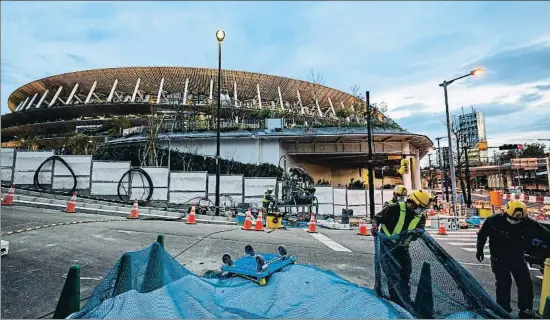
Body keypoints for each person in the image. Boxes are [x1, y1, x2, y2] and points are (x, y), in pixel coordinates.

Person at [476, 200, 550, 318]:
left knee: (525, 284)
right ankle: (503, 310)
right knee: (503, 284)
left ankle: (525, 310)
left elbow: (545, 234)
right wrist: (479, 249)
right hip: (499, 258)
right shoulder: (493, 220)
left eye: (518, 220)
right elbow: (482, 235)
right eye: (513, 219)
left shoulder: (527, 223)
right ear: (505, 213)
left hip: (517, 257)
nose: (515, 221)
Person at [372, 189, 432, 308]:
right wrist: (374, 226)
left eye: (423, 209)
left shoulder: (420, 217)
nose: (420, 211)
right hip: (387, 248)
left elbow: (418, 231)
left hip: (402, 248)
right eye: (420, 207)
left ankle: (403, 299)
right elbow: (377, 218)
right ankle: (396, 302)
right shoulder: (393, 208)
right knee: (392, 275)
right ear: (412, 203)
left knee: (405, 272)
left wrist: (418, 233)